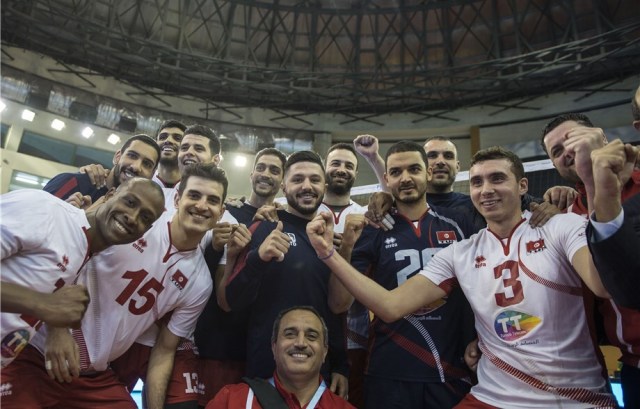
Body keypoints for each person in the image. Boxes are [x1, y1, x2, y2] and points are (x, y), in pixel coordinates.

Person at [306, 146, 617, 408]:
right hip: (429, 376)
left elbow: (603, 283)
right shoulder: (456, 250)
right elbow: (384, 305)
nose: (487, 189)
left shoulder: (554, 225)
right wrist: (332, 251)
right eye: (478, 182)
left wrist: (595, 188)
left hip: (485, 375)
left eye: (497, 179)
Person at [2, 164, 225, 409]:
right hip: (38, 355)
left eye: (212, 200)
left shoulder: (200, 282)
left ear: (221, 212)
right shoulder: (128, 225)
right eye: (194, 195)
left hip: (94, 377)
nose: (202, 205)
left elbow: (164, 351)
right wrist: (58, 329)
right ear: (178, 199)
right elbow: (71, 252)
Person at [349, 141, 477, 409]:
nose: (406, 178)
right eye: (396, 172)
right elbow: (341, 302)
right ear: (387, 179)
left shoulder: (461, 222)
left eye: (414, 169)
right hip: (389, 370)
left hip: (451, 369)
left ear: (428, 173)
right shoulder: (374, 228)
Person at [222, 151, 351, 398]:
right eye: (298, 179)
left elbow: (334, 310)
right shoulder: (264, 227)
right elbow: (233, 301)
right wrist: (258, 258)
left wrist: (340, 365)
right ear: (284, 186)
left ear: (324, 187)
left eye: (314, 180)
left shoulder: (331, 239)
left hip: (319, 373)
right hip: (265, 372)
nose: (307, 186)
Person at [0, 178, 165, 369]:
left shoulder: (84, 251)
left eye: (145, 218)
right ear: (110, 195)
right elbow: (46, 304)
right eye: (129, 202)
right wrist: (42, 303)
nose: (132, 217)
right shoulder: (45, 209)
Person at [542, 112, 640, 409]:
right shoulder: (564, 218)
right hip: (633, 365)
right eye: (556, 151)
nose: (567, 152)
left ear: (602, 138)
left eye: (573, 139)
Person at [195, 147, 287, 407]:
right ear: (251, 174)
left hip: (259, 347)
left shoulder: (284, 222)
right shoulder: (226, 213)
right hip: (219, 342)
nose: (266, 174)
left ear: (283, 181)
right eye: (261, 167)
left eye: (274, 170)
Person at [206, 306, 355, 409]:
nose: (300, 343)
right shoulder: (232, 400)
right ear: (274, 347)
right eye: (290, 334)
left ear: (324, 352)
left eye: (311, 336)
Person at [316, 143, 368, 408]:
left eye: (349, 165)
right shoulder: (304, 211)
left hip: (355, 332)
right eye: (335, 163)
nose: (341, 169)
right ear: (325, 168)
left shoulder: (368, 216)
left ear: (356, 174)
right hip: (313, 325)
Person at [586, 140, 640, 309]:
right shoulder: (563, 210)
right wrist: (603, 193)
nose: (570, 153)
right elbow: (630, 289)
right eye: (557, 151)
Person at [44, 134, 161, 206]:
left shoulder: (136, 213)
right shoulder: (74, 182)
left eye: (147, 164)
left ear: (152, 174)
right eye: (132, 156)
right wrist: (63, 215)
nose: (136, 167)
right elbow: (37, 215)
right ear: (118, 157)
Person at [154, 119, 188, 188]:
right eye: (162, 137)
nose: (168, 140)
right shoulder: (142, 181)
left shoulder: (194, 187)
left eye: (177, 138)